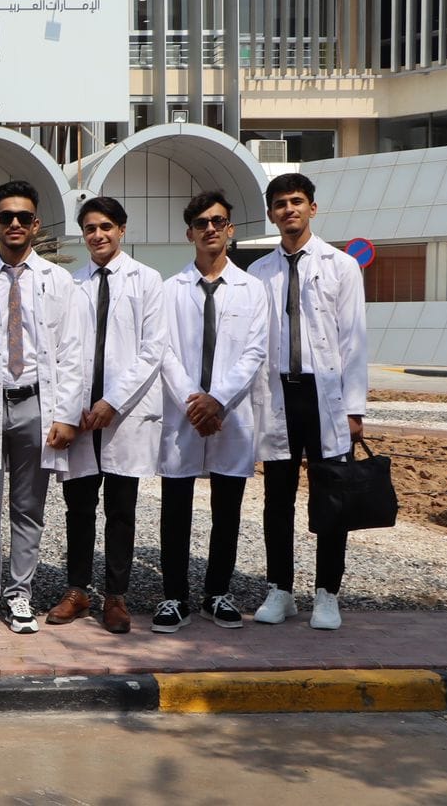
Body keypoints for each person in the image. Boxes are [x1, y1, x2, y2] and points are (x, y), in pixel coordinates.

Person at [0, 181, 88, 636]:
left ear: (36, 224)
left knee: (29, 507)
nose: (15, 223)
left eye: (23, 217)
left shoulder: (58, 280)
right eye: (6, 216)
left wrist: (66, 415)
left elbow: (72, 351)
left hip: (36, 405)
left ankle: (19, 594)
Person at [248, 172, 368, 631]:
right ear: (271, 213)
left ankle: (327, 593)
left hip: (326, 398)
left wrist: (354, 408)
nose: (289, 210)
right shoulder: (259, 273)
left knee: (331, 499)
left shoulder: (341, 266)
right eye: (280, 204)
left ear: (312, 208)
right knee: (277, 500)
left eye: (296, 201)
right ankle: (280, 589)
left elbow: (353, 340)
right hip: (279, 395)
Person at [154, 191, 269, 633]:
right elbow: (163, 352)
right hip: (184, 412)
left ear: (230, 229)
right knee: (175, 506)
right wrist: (194, 401)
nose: (210, 229)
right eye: (201, 223)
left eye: (218, 221)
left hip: (230, 413)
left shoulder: (251, 290)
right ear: (190, 233)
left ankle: (217, 592)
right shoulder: (170, 290)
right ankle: (174, 596)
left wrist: (216, 400)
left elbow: (254, 351)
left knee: (227, 507)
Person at [51, 196, 166, 634]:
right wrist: (70, 407)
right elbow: (61, 349)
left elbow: (152, 350)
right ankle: (77, 590)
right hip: (80, 416)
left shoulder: (147, 280)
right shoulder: (71, 284)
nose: (97, 235)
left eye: (105, 227)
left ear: (121, 230)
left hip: (123, 413)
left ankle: (115, 596)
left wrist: (111, 402)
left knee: (121, 510)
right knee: (78, 508)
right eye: (90, 229)